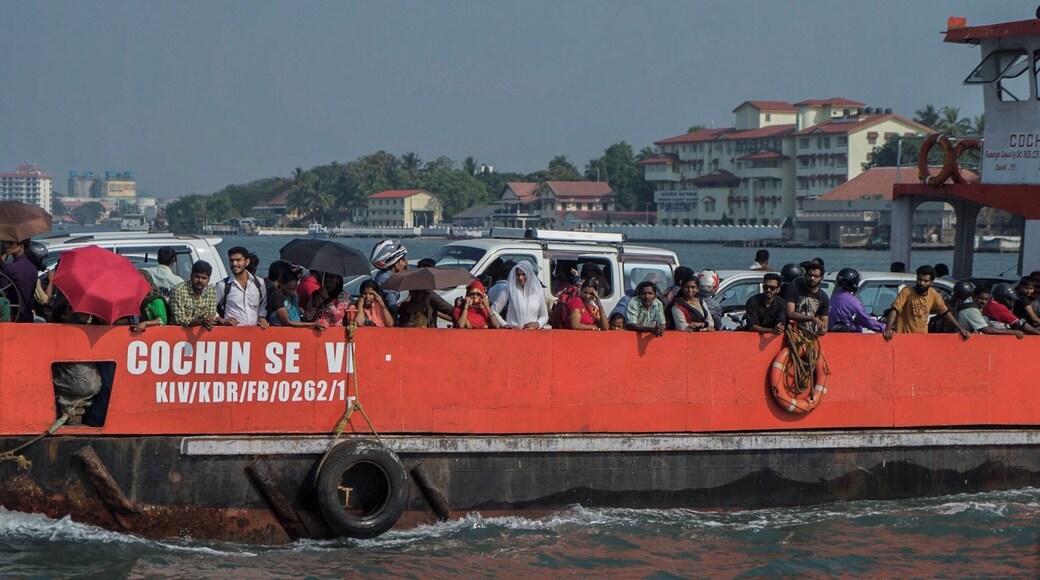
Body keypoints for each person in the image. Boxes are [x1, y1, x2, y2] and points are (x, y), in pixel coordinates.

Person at [883, 265, 968, 340]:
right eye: (919, 280)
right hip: (905, 338)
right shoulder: (907, 291)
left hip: (922, 339)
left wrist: (960, 329)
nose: (921, 283)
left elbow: (945, 312)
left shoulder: (933, 294)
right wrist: (888, 329)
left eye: (925, 281)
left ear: (931, 282)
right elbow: (894, 310)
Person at [215, 246, 268, 328]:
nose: (234, 264)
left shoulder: (259, 283)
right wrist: (223, 321)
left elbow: (263, 305)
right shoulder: (222, 285)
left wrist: (261, 318)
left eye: (238, 260)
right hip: (232, 336)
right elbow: (210, 308)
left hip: (254, 335)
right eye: (231, 260)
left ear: (247, 262)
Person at [491, 260, 548, 330]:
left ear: (529, 274)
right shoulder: (509, 290)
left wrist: (538, 324)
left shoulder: (538, 291)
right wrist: (504, 324)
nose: (520, 278)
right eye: (518, 274)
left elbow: (544, 315)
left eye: (524, 274)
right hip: (513, 334)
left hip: (533, 335)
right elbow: (493, 310)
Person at [169, 260, 224, 329]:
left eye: (204, 278)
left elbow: (211, 314)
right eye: (197, 277)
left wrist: (208, 320)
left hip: (200, 334)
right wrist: (201, 322)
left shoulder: (211, 291)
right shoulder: (178, 290)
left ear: (208, 279)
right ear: (191, 276)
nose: (200, 280)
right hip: (177, 333)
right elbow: (179, 320)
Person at [828, 268, 885, 333]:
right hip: (850, 337)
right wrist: (884, 327)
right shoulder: (852, 302)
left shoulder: (832, 298)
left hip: (832, 336)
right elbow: (866, 321)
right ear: (853, 282)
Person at [958, 284, 1025, 338]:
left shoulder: (969, 302)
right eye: (981, 299)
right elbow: (987, 330)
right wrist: (1013, 332)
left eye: (986, 299)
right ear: (974, 296)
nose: (983, 302)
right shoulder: (971, 309)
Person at [784, 262, 829, 336]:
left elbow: (824, 324)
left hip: (811, 335)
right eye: (810, 275)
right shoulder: (793, 288)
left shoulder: (823, 297)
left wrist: (821, 330)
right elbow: (790, 313)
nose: (812, 278)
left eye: (816, 276)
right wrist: (812, 318)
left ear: (822, 278)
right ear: (805, 275)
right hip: (793, 334)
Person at [1, 238, 38, 322]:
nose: (7, 246)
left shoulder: (9, 268)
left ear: (21, 247)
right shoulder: (33, 268)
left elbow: (2, 293)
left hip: (12, 316)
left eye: (10, 243)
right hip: (28, 316)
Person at [370, 239, 408, 313]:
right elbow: (392, 307)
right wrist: (409, 300)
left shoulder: (381, 275)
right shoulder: (388, 280)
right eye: (402, 260)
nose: (404, 264)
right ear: (395, 264)